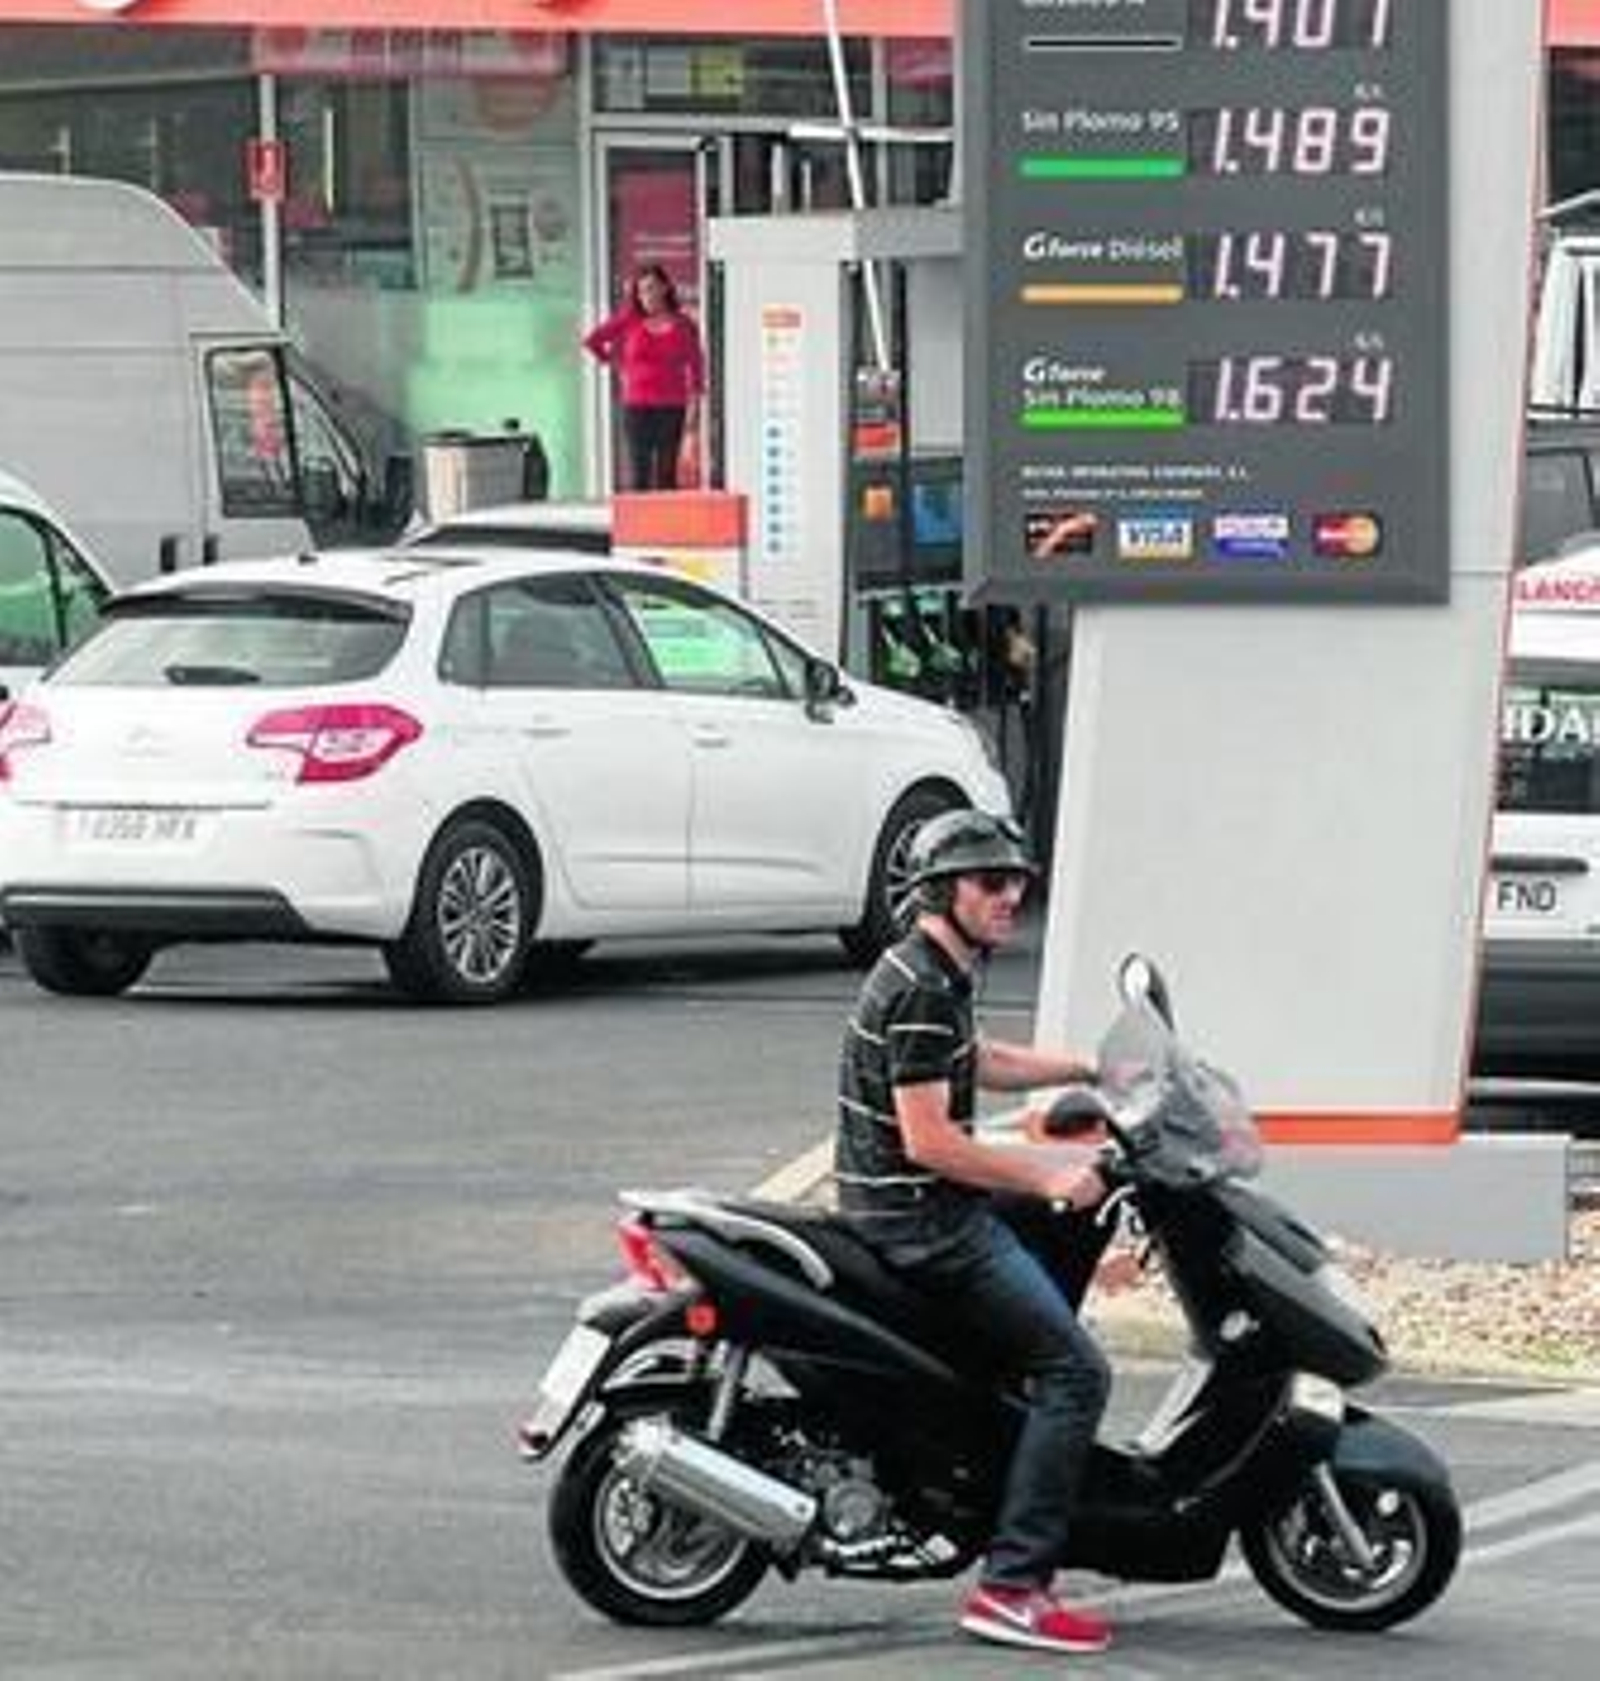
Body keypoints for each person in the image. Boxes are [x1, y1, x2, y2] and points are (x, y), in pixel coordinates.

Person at [833, 808, 1116, 1657]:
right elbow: (931, 1143)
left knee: (1073, 1217)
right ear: (940, 892)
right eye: (991, 881)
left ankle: (1006, 1424)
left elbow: (980, 1059)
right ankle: (1013, 1585)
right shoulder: (922, 986)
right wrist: (1048, 1172)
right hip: (923, 1221)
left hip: (908, 1205)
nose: (1009, 895)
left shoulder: (933, 971)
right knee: (1077, 1371)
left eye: (1017, 880)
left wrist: (1094, 1065)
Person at [582, 264, 705, 492]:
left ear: (665, 288)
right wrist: (616, 363)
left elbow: (696, 364)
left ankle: (667, 516)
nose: (647, 295)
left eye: (651, 288)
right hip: (637, 406)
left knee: (667, 473)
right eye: (641, 291)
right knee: (640, 472)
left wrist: (695, 403)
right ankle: (640, 516)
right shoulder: (629, 320)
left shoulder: (684, 324)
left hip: (672, 405)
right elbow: (592, 341)